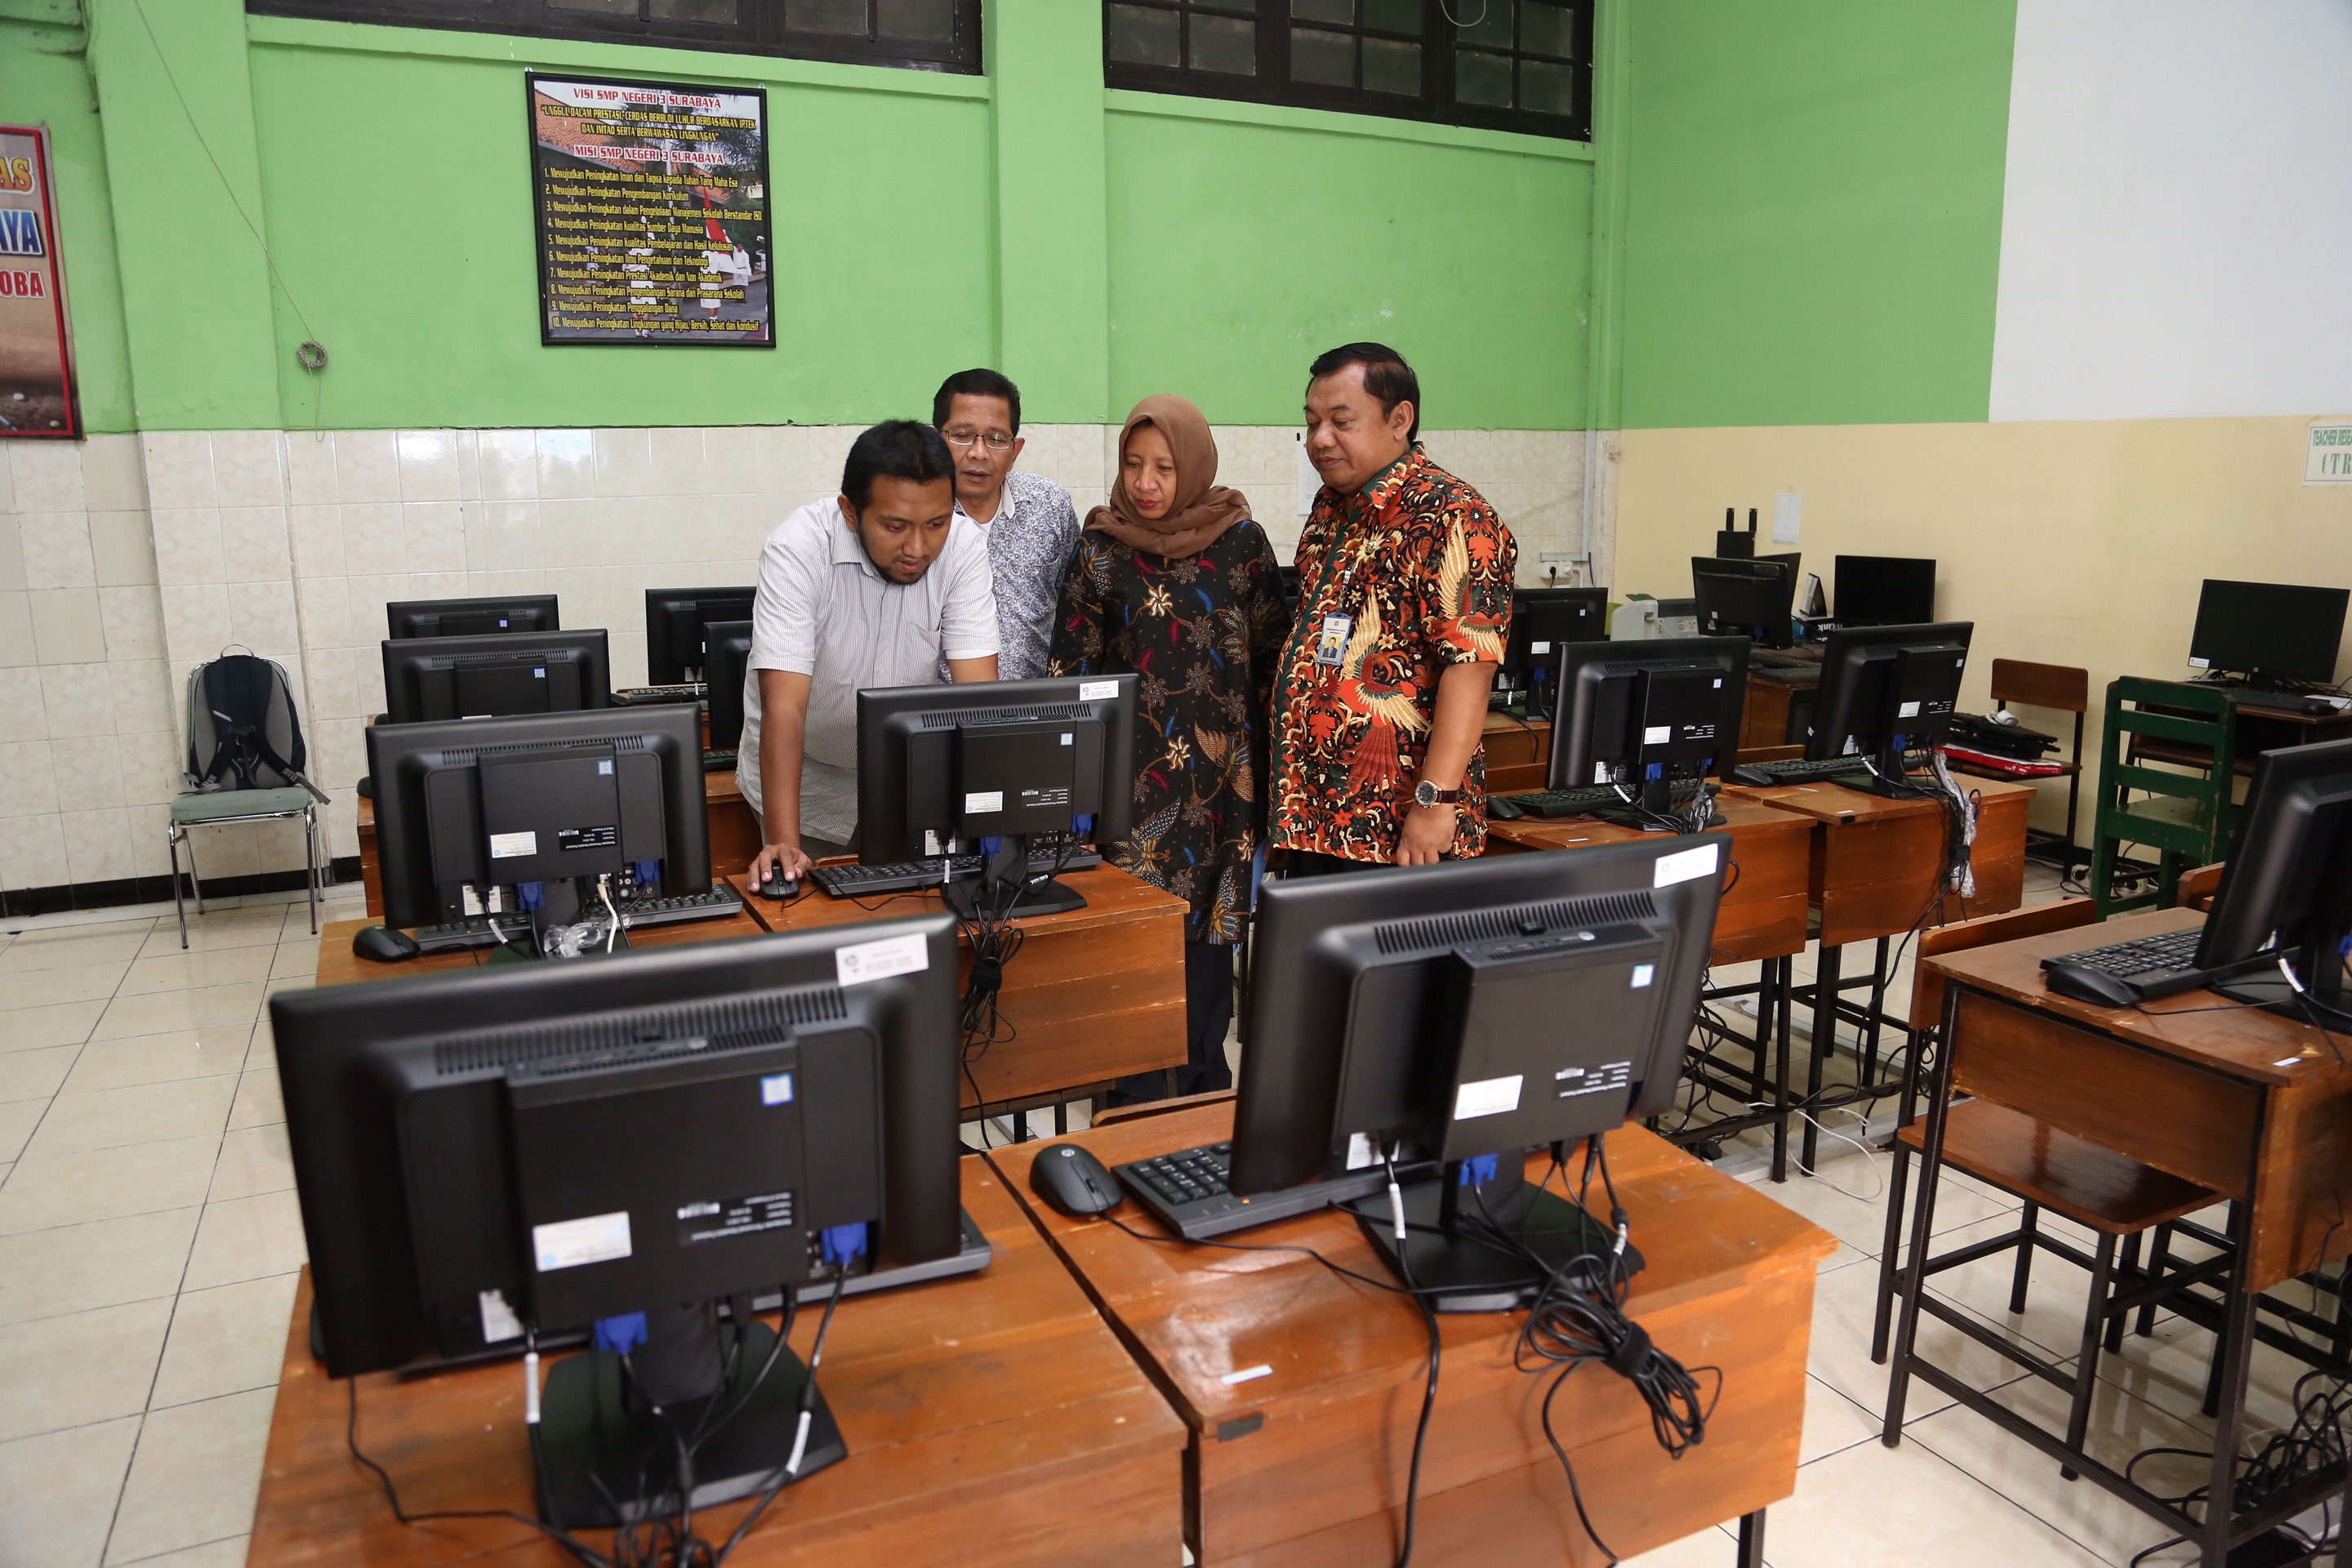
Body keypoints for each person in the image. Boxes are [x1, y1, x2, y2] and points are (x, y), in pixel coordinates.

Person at [1048, 394, 1290, 1102]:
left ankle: (1205, 1125)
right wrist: (1072, 804)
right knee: (1130, 977)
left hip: (1224, 795)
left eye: (1164, 466)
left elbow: (1277, 669)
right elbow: (1072, 678)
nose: (1146, 483)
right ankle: (1128, 1126)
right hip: (1130, 799)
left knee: (1207, 983)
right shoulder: (1097, 551)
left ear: (1195, 466)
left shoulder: (1243, 543)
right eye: (1133, 464)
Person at [1271, 343, 1516, 873]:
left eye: (1341, 422)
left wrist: (1435, 803)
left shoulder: (1454, 517)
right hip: (1315, 818)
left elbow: (1471, 668)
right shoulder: (1334, 509)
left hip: (1396, 832)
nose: (1320, 439)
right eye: (1312, 422)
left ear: (1400, 418)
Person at [742, 421, 999, 889]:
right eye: (895, 526)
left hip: (905, 782)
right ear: (850, 511)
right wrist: (782, 843)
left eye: (936, 523)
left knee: (911, 922)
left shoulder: (963, 547)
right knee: (812, 927)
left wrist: (999, 824)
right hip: (806, 781)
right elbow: (785, 707)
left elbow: (979, 698)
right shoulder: (798, 548)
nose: (917, 548)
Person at [933, 368, 1080, 682]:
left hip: (1038, 711)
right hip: (941, 715)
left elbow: (1072, 607)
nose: (979, 453)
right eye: (962, 436)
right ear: (936, 440)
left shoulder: (1050, 505)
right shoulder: (919, 520)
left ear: (1016, 450)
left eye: (997, 439)